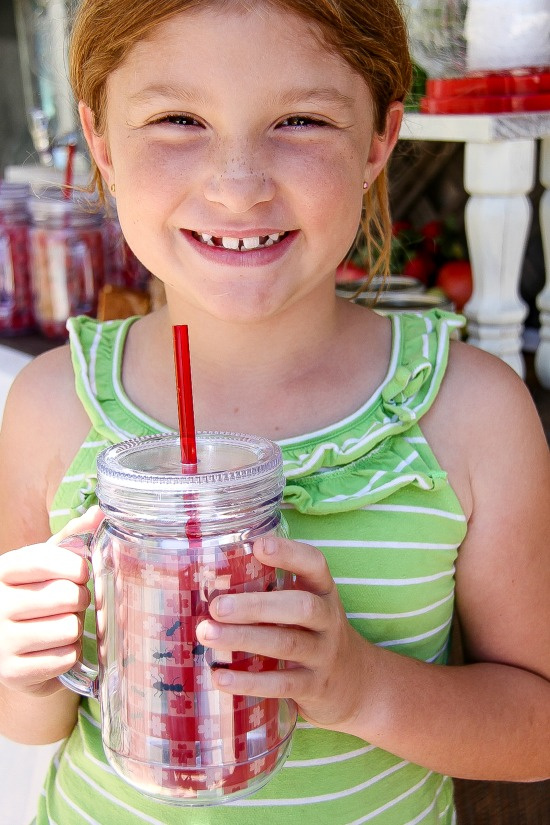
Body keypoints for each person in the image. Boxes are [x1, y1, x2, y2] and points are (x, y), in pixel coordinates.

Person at [0, 1, 549, 823]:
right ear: (102, 141)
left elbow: (537, 727)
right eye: (178, 118)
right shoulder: (50, 406)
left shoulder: (471, 416)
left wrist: (361, 686)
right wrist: (25, 667)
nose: (237, 185)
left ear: (377, 141)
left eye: (300, 119)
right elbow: (34, 721)